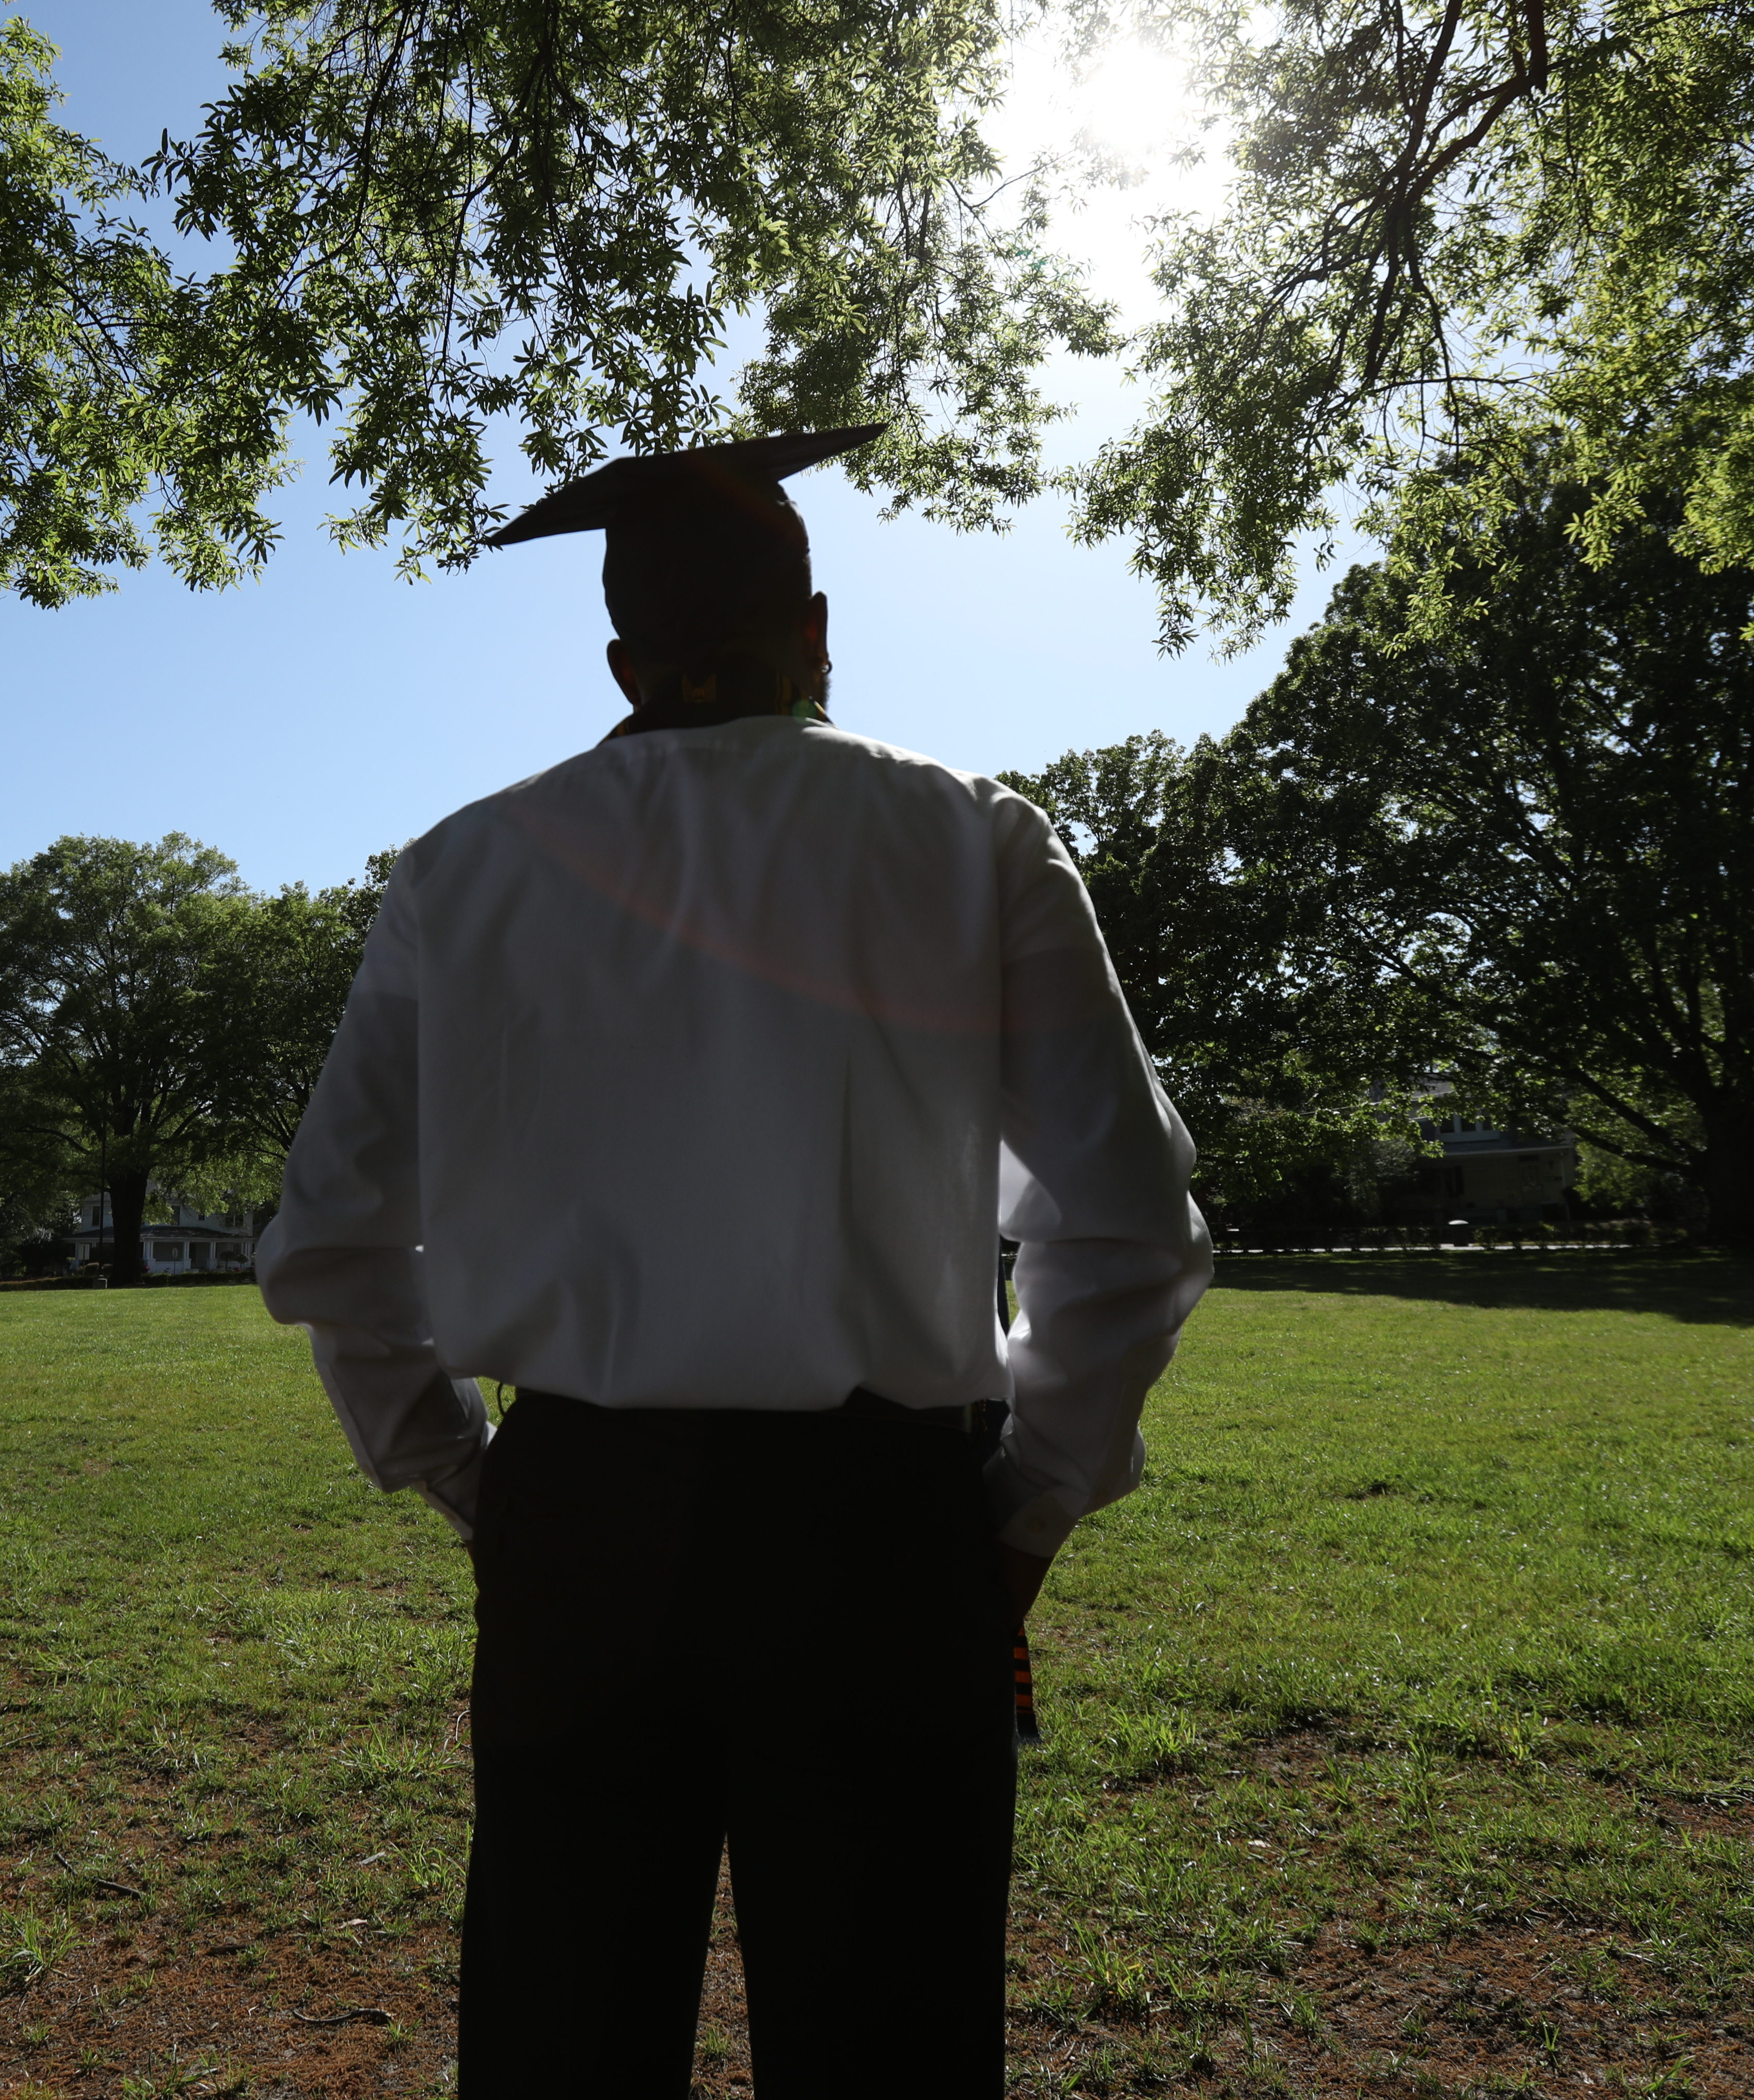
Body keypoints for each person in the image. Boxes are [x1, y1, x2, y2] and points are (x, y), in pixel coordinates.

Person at [254, 424, 1211, 2097]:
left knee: (563, 2030)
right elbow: (1126, 1221)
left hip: (577, 1517)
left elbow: (333, 1242)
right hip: (878, 1531)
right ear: (820, 629)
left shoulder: (460, 873)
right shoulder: (974, 839)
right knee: (888, 2037)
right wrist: (1028, 1511)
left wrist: (486, 1492)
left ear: (621, 659)